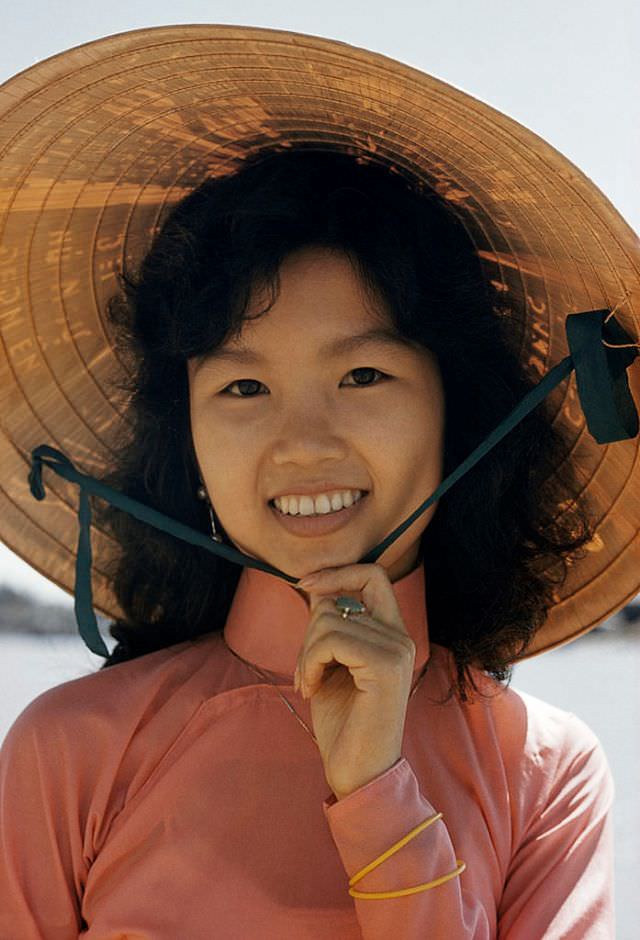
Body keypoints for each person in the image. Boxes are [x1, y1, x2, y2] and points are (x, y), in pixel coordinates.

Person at [0, 24, 638, 939]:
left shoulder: (545, 773)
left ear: (461, 407)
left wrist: (380, 793)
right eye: (243, 386)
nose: (301, 444)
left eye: (363, 376)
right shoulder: (68, 750)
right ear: (183, 436)